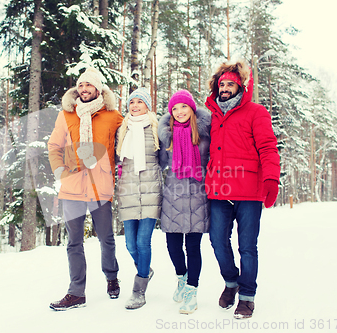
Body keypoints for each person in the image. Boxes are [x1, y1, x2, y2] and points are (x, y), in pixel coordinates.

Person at [204, 59, 280, 319]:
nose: (225, 88)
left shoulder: (256, 112)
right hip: (219, 188)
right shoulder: (211, 113)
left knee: (247, 246)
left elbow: (268, 147)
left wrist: (271, 178)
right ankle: (231, 281)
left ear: (240, 87)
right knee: (216, 241)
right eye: (221, 84)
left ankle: (247, 297)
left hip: (248, 190)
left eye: (230, 84)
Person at [48, 67, 124, 311]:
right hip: (72, 187)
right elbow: (54, 146)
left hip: (100, 185)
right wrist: (60, 171)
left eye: (89, 85)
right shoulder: (66, 115)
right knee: (74, 242)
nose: (84, 89)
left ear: (98, 89)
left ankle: (112, 277)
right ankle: (76, 292)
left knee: (106, 237)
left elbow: (126, 140)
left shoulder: (112, 115)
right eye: (80, 85)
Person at [158, 90, 211, 315]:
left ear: (192, 109)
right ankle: (182, 277)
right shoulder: (166, 137)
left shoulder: (205, 136)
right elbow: (158, 164)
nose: (180, 112)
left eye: (184, 107)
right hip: (173, 195)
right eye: (175, 109)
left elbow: (214, 161)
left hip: (198, 195)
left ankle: (192, 290)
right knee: (172, 245)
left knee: (193, 247)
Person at [115, 88, 162, 310]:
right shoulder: (122, 130)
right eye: (131, 102)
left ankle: (138, 290)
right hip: (128, 191)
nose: (135, 106)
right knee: (129, 243)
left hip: (151, 191)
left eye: (139, 102)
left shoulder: (157, 128)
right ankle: (146, 270)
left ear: (147, 105)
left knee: (143, 242)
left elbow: (165, 159)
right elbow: (118, 162)